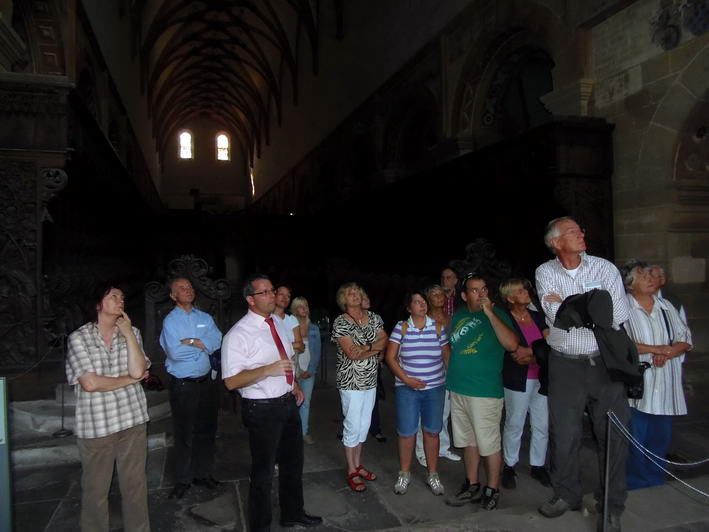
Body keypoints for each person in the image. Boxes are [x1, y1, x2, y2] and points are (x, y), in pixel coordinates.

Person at [535, 216, 630, 532]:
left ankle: (611, 505)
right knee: (564, 435)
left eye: (581, 229)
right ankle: (566, 494)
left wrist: (571, 306)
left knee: (614, 437)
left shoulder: (604, 268)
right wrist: (588, 306)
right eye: (573, 231)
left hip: (604, 364)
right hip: (564, 365)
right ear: (556, 242)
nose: (581, 234)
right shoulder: (545, 271)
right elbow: (556, 316)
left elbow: (616, 314)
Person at [221, 274, 322, 531]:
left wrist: (294, 384)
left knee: (293, 463)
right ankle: (260, 525)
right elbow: (231, 381)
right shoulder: (238, 334)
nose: (272, 295)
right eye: (264, 292)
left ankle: (292, 512)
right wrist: (267, 370)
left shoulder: (276, 322)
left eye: (272, 290)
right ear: (250, 300)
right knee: (264, 472)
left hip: (287, 403)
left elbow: (286, 357)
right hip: (262, 408)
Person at [65, 282, 151, 532]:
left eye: (122, 297)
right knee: (95, 491)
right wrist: (129, 380)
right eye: (113, 296)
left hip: (132, 419)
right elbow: (90, 383)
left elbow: (138, 369)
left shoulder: (132, 332)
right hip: (97, 426)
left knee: (135, 487)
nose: (120, 300)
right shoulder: (79, 338)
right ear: (98, 304)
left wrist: (127, 335)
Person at [444, 273, 519, 511]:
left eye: (483, 289)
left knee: (489, 444)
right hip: (458, 388)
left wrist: (489, 314)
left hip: (484, 391)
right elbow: (449, 345)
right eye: (475, 290)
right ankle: (472, 484)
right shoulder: (458, 316)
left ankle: (492, 488)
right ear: (465, 295)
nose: (481, 294)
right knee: (468, 441)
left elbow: (512, 345)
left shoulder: (498, 315)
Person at [620, 260, 692, 490]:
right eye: (643, 276)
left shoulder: (665, 306)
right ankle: (637, 483)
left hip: (666, 384)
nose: (651, 279)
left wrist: (669, 351)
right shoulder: (622, 309)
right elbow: (621, 345)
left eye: (650, 275)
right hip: (639, 387)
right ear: (630, 284)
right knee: (635, 439)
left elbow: (685, 339)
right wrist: (656, 349)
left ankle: (656, 480)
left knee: (660, 438)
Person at [160, 277, 223, 499]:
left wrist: (194, 343)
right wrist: (202, 346)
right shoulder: (170, 322)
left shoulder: (205, 317)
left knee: (206, 430)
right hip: (183, 385)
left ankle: (203, 474)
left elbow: (218, 341)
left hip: (206, 383)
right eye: (181, 288)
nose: (187, 290)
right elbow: (175, 353)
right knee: (185, 432)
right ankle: (183, 480)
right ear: (172, 295)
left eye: (189, 287)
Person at [385, 291, 450, 496]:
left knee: (432, 432)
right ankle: (404, 473)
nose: (422, 305)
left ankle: (433, 474)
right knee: (406, 433)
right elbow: (390, 357)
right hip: (407, 389)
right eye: (417, 302)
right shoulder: (401, 328)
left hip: (435, 389)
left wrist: (453, 383)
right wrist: (406, 379)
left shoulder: (438, 328)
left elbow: (447, 358)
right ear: (409, 308)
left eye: (423, 302)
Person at [331, 282, 388, 492]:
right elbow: (352, 354)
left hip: (370, 379)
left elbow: (386, 339)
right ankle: (351, 469)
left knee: (364, 425)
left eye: (357, 292)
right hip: (351, 382)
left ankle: (358, 464)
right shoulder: (340, 322)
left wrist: (367, 348)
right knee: (352, 424)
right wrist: (375, 348)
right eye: (350, 293)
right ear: (343, 299)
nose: (355, 296)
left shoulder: (373, 317)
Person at [498, 278, 551, 489]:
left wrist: (532, 354)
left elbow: (549, 344)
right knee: (515, 422)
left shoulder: (538, 317)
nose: (526, 292)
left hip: (541, 377)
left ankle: (538, 465)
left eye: (525, 289)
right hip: (517, 378)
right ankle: (509, 465)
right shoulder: (506, 320)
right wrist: (537, 353)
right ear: (510, 297)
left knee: (542, 423)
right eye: (520, 291)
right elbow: (512, 351)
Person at [415, 284, 460, 466]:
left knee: (444, 411)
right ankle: (421, 450)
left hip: (449, 368)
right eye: (434, 294)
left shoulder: (453, 319)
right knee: (425, 411)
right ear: (428, 299)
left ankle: (442, 448)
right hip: (429, 370)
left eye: (441, 294)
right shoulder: (423, 320)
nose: (439, 297)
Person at [290, 296, 322, 444]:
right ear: (295, 309)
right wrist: (296, 370)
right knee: (291, 402)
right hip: (293, 369)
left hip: (309, 370)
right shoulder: (289, 326)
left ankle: (303, 431)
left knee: (305, 402)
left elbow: (317, 352)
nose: (305, 309)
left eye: (306, 306)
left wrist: (310, 369)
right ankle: (291, 432)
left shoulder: (313, 328)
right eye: (302, 306)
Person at [362, 290, 387, 443]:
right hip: (357, 364)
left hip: (373, 361)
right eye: (363, 298)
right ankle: (352, 431)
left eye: (367, 297)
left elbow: (383, 338)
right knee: (355, 398)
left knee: (374, 396)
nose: (367, 300)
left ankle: (375, 429)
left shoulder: (375, 318)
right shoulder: (350, 319)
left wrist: (381, 354)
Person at [274, 285, 305, 354]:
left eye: (288, 296)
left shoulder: (292, 319)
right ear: (274, 296)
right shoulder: (267, 319)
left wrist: (280, 346)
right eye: (281, 294)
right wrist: (294, 344)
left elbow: (301, 347)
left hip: (292, 362)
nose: (285, 298)